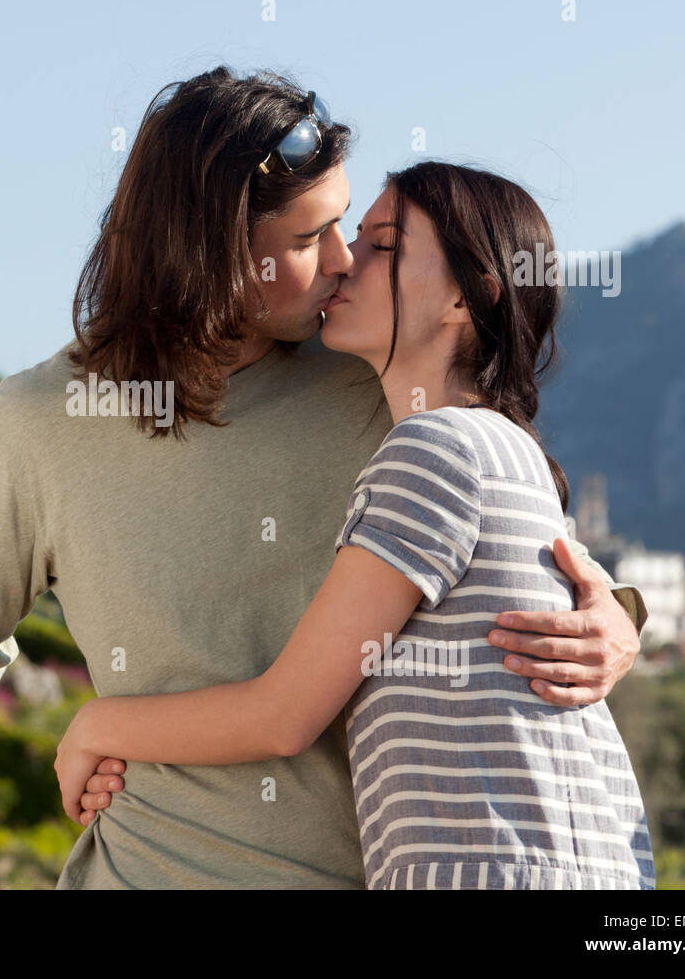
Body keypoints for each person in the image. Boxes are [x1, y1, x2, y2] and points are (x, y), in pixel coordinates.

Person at [0, 67, 647, 890]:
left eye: (349, 227)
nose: (343, 260)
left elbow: (515, 537)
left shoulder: (376, 370)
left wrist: (618, 621)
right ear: (211, 249)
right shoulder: (34, 425)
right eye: (307, 239)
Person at [55, 161, 654, 890]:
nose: (344, 262)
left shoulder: (435, 448)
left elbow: (283, 715)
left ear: (468, 297)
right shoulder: (508, 449)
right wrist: (625, 617)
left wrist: (95, 725)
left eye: (384, 245)